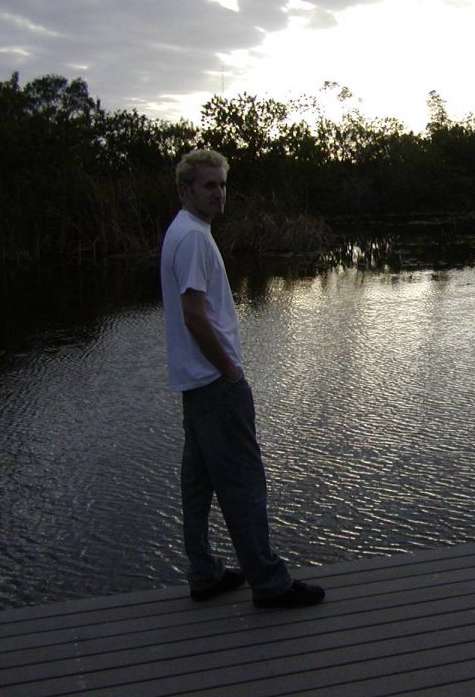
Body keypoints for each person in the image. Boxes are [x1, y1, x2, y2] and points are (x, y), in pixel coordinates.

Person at [160, 148, 325, 607]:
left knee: (197, 483)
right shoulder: (193, 238)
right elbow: (195, 316)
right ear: (186, 188)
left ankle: (204, 571)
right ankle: (269, 583)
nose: (219, 193)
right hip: (215, 385)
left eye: (223, 184)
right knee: (243, 483)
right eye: (209, 185)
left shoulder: (181, 230)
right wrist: (230, 371)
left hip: (195, 385)